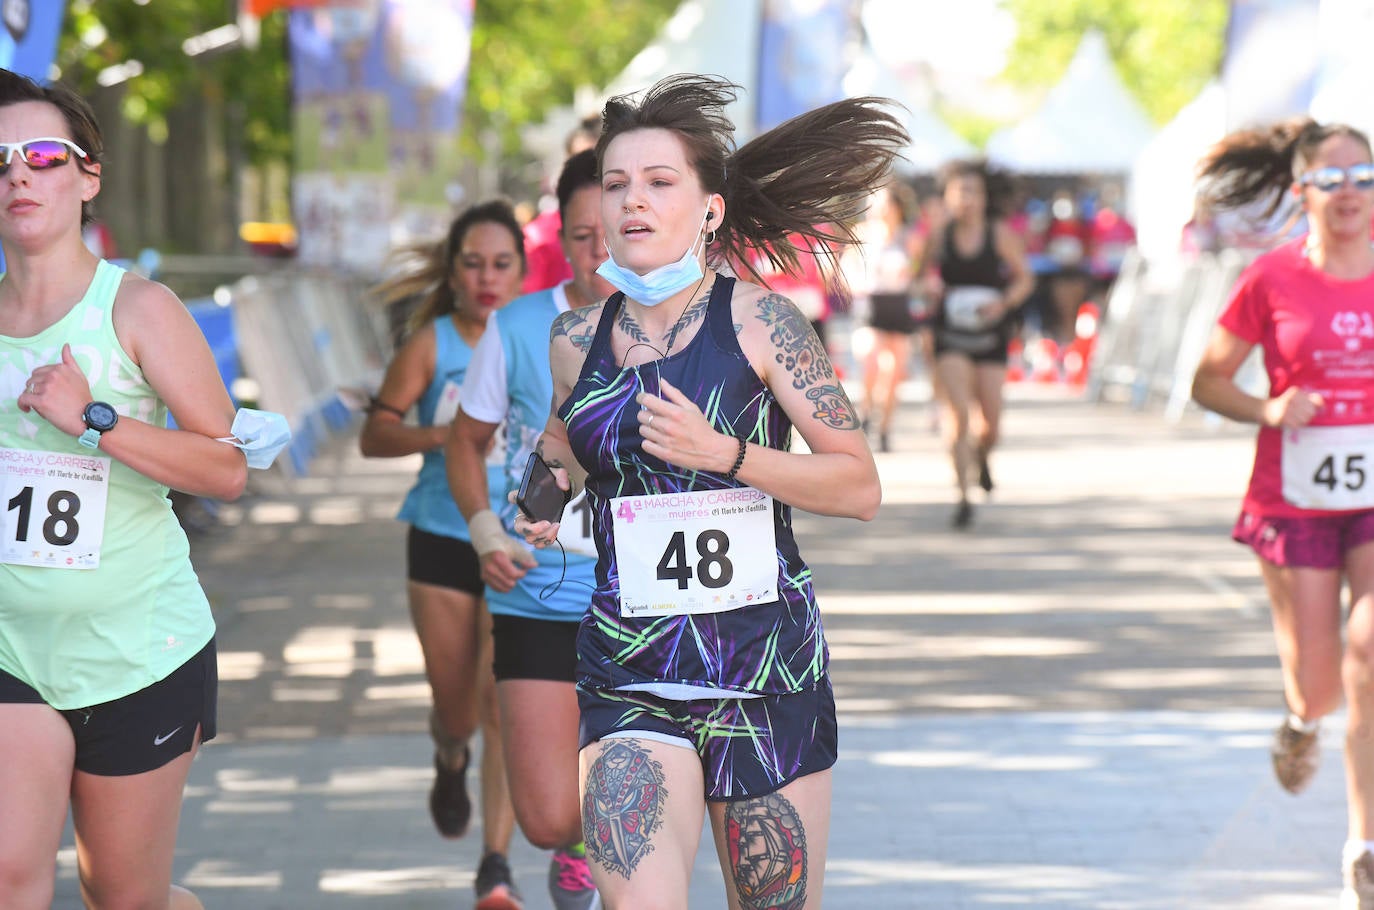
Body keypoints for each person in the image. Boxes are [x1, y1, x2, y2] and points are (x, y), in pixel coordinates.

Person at [516, 74, 905, 910]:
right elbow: (561, 443)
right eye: (617, 185)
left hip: (765, 670)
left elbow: (858, 485)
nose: (633, 203)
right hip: (630, 666)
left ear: (710, 210)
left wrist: (724, 452)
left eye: (660, 183)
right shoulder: (574, 337)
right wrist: (538, 502)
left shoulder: (764, 323)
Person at [0, 71, 247, 910]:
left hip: (138, 653)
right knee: (8, 870)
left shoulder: (138, 310)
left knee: (126, 900)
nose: (18, 176)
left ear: (87, 177)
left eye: (41, 155)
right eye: (0, 162)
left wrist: (93, 418)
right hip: (11, 651)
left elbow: (227, 467)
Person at [1190, 117, 1374, 908]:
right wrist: (1270, 409)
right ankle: (1301, 722)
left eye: (1362, 179)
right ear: (1300, 192)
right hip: (1295, 500)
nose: (1348, 195)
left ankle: (1362, 844)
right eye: (1329, 181)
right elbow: (1207, 381)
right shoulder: (1271, 278)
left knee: (1370, 649)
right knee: (1321, 685)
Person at [447, 149, 613, 910]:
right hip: (537, 587)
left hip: (643, 592)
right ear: (561, 240)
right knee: (549, 816)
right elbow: (464, 442)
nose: (601, 251)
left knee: (644, 788)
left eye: (615, 229)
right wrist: (485, 529)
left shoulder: (683, 325)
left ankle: (623, 866)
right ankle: (578, 843)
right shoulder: (517, 328)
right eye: (582, 235)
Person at [358, 199, 526, 909]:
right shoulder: (432, 344)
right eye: (473, 263)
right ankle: (450, 756)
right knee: (457, 710)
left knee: (501, 701)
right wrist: (448, 437)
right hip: (440, 535)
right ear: (453, 273)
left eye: (501, 264)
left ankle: (496, 864)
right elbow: (375, 435)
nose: (487, 278)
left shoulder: (539, 335)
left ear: (522, 271)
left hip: (517, 540)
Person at [920, 159, 1033, 529]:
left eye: (974, 192)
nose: (968, 199)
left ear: (985, 198)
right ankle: (963, 495)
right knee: (958, 416)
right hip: (950, 334)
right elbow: (918, 277)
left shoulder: (998, 234)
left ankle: (982, 457)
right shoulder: (939, 235)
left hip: (990, 334)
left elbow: (1024, 279)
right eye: (961, 192)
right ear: (949, 197)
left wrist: (1003, 303)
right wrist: (929, 287)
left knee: (991, 425)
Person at [844, 181, 922, 453]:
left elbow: (917, 269)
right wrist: (857, 284)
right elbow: (845, 268)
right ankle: (866, 410)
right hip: (869, 305)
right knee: (872, 362)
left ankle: (886, 426)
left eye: (886, 204)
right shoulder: (861, 234)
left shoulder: (909, 238)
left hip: (898, 306)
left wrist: (911, 275)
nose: (881, 210)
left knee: (895, 372)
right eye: (875, 204)